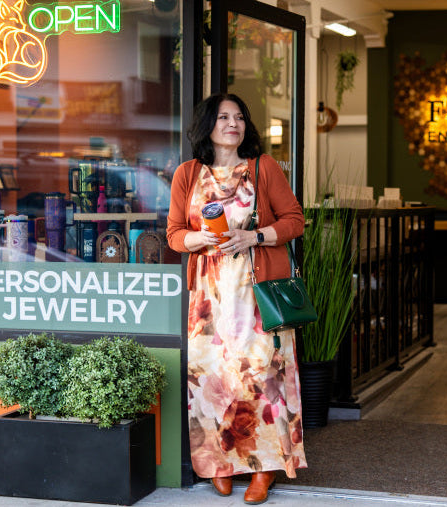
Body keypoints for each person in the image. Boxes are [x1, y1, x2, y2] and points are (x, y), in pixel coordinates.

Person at [166, 93, 306, 504]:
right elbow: (174, 234)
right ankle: (220, 463)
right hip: (208, 301)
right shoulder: (188, 174)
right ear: (207, 125)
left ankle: (264, 468)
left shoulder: (263, 168)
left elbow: (294, 220)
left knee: (261, 378)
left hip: (257, 294)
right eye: (224, 117)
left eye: (239, 117)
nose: (233, 123)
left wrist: (254, 236)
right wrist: (200, 238)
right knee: (214, 379)